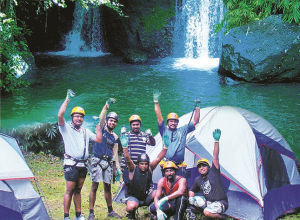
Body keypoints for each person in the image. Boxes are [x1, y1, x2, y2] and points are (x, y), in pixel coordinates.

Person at [58, 89, 102, 220]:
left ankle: (78, 214)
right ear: (72, 117)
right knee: (69, 190)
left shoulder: (85, 131)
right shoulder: (65, 128)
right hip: (71, 164)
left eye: (81, 116)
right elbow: (60, 116)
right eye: (76, 116)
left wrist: (99, 129)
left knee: (78, 190)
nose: (79, 118)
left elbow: (98, 139)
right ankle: (66, 216)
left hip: (82, 165)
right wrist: (67, 99)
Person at [120, 131, 169, 219]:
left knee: (159, 193)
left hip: (146, 197)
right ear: (138, 163)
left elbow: (158, 158)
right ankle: (131, 213)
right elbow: (127, 158)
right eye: (142, 164)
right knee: (130, 207)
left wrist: (165, 147)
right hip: (134, 197)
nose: (144, 166)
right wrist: (124, 147)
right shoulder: (133, 168)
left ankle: (153, 210)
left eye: (146, 164)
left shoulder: (150, 168)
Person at [88, 98, 121, 220]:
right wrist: (106, 105)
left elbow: (115, 154)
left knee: (108, 187)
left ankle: (110, 210)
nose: (112, 123)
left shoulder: (115, 137)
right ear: (107, 121)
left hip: (107, 162)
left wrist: (117, 168)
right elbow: (101, 117)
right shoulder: (101, 129)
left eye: (114, 122)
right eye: (111, 120)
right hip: (97, 160)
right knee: (94, 186)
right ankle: (91, 213)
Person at [153, 90, 200, 175]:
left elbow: (195, 121)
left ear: (178, 123)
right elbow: (159, 117)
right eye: (171, 121)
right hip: (166, 164)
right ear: (168, 122)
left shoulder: (183, 130)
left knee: (180, 184)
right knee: (167, 185)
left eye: (175, 121)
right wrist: (156, 102)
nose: (173, 123)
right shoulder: (164, 130)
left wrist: (197, 107)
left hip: (180, 165)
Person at [188, 129, 228, 219]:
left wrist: (216, 141)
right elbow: (192, 190)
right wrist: (191, 197)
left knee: (206, 212)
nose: (202, 168)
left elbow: (215, 157)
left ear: (208, 167)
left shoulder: (214, 172)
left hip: (221, 203)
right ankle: (202, 212)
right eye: (199, 166)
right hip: (208, 202)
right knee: (192, 200)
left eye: (204, 166)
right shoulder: (198, 179)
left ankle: (221, 217)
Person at [120, 114, 156, 185]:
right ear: (130, 125)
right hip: (128, 165)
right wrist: (122, 135)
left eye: (137, 124)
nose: (136, 126)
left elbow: (153, 143)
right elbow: (121, 147)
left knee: (140, 184)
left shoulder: (144, 135)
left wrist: (150, 136)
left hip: (140, 165)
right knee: (128, 183)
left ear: (140, 125)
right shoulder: (127, 135)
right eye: (134, 125)